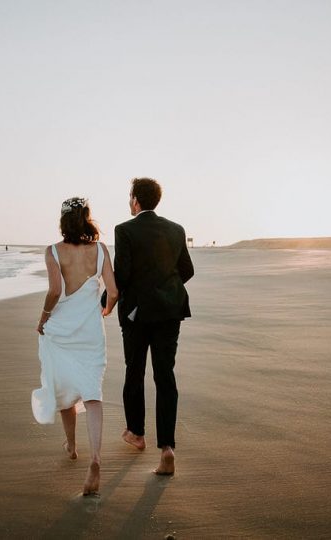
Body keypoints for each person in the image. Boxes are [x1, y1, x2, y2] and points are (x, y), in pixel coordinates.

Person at [32, 197, 118, 496]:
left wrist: (43, 317)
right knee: (92, 392)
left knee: (64, 387)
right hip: (91, 331)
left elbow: (55, 290)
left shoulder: (53, 251)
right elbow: (114, 290)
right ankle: (95, 459)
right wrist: (105, 309)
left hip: (61, 330)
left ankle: (71, 445)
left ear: (63, 221)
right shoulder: (101, 250)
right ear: (86, 219)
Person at [114, 178, 194, 476]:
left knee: (134, 372)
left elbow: (121, 276)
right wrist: (164, 288)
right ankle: (167, 449)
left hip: (136, 314)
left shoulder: (125, 230)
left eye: (129, 196)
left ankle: (136, 433)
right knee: (165, 376)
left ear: (135, 200)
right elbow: (187, 270)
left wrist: (104, 302)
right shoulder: (176, 229)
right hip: (170, 311)